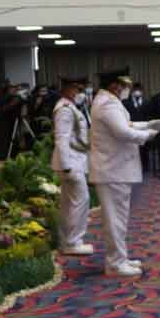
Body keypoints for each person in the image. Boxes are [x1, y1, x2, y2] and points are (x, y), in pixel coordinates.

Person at [89, 68, 160, 278]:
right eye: (123, 85)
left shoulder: (108, 101)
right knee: (115, 219)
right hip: (112, 169)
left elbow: (126, 124)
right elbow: (122, 132)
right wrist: (149, 135)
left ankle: (120, 258)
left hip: (115, 168)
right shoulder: (107, 104)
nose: (126, 89)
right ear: (114, 85)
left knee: (119, 218)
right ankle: (115, 263)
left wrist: (148, 124)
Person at [50, 77, 94, 256]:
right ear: (67, 89)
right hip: (70, 162)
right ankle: (73, 242)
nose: (79, 93)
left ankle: (67, 240)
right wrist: (66, 165)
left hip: (73, 160)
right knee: (81, 201)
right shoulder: (65, 110)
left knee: (69, 203)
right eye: (77, 89)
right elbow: (61, 138)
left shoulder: (70, 107)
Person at [124, 82, 151, 174]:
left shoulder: (146, 102)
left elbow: (149, 116)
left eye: (139, 90)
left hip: (143, 129)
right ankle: (132, 167)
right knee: (132, 149)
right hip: (132, 128)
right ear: (132, 91)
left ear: (142, 91)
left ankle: (145, 166)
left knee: (144, 149)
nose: (137, 92)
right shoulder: (126, 102)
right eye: (135, 90)